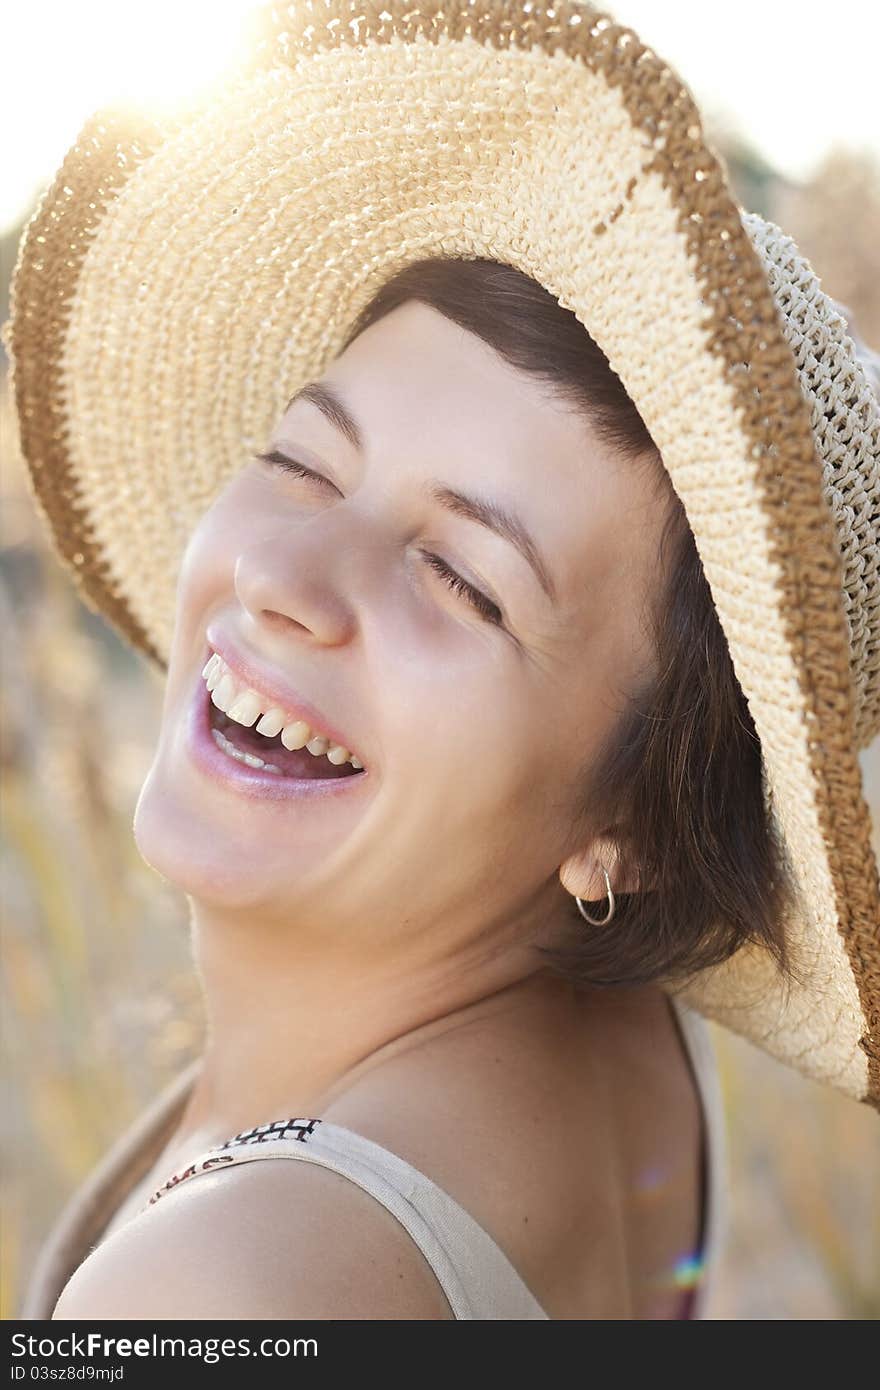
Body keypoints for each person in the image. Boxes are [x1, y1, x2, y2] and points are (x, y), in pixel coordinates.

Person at [6, 0, 878, 1321]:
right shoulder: (627, 1040)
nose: (286, 583)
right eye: (302, 461)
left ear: (629, 823)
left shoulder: (224, 1289)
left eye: (466, 579)